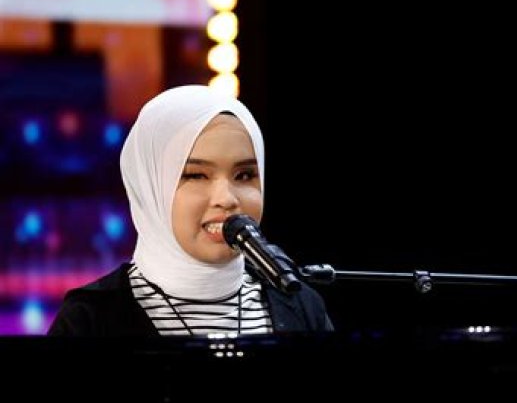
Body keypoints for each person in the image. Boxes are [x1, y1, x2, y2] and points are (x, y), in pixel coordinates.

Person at [48, 85, 333, 336]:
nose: (226, 199)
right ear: (150, 187)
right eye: (196, 175)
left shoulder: (301, 308)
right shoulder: (89, 319)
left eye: (244, 175)